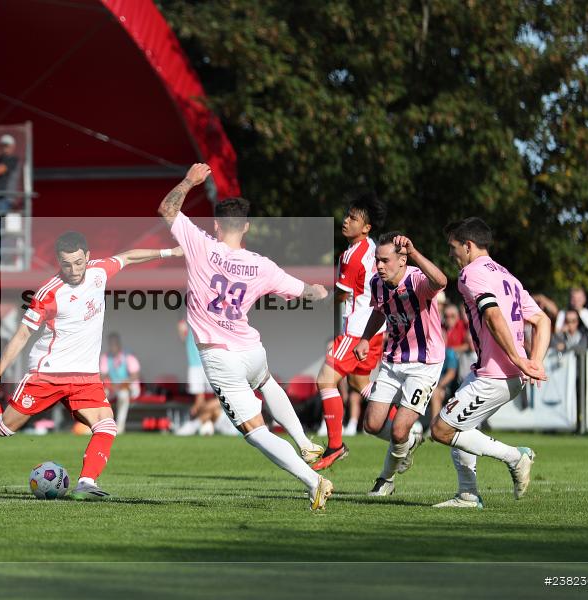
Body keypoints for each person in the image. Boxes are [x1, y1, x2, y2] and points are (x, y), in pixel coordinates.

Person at [158, 163, 333, 511]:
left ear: (217, 225)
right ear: (247, 227)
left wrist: (191, 181)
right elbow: (305, 291)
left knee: (255, 432)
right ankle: (304, 440)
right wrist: (320, 291)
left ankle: (314, 481)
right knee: (267, 382)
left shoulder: (200, 245)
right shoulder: (261, 264)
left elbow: (167, 209)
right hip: (252, 349)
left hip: (220, 357)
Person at [0, 231, 183, 500]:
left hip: (85, 375)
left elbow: (128, 257)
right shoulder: (48, 293)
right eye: (66, 264)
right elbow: (22, 335)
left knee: (106, 426)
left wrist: (171, 253)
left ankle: (86, 482)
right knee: (3, 429)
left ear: (87, 257)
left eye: (78, 262)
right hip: (48, 373)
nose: (74, 270)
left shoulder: (99, 271)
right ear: (58, 262)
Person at [429, 217, 550, 508]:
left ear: (468, 246)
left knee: (442, 431)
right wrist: (534, 362)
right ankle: (468, 495)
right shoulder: (509, 276)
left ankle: (515, 457)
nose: (450, 254)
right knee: (461, 425)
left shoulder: (471, 274)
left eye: (453, 247)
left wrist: (521, 359)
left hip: (496, 376)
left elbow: (493, 316)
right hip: (496, 373)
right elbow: (542, 320)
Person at [353, 232, 447, 496]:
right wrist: (365, 339)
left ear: (402, 260)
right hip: (393, 360)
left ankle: (386, 480)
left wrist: (415, 252)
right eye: (377, 260)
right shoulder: (377, 283)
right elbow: (379, 310)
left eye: (385, 261)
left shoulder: (417, 280)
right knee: (371, 424)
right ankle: (409, 442)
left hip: (424, 363)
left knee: (398, 430)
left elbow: (440, 281)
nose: (379, 266)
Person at [312, 192, 387, 470]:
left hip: (357, 331)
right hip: (375, 328)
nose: (346, 221)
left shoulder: (352, 255)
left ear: (366, 227)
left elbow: (342, 296)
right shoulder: (372, 248)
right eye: (347, 215)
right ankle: (400, 426)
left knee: (324, 380)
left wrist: (320, 303)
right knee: (359, 384)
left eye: (353, 218)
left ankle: (335, 446)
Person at [175, 320, 223, 436]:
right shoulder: (190, 324)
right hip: (195, 366)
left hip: (210, 364)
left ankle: (195, 423)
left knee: (218, 401)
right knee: (199, 401)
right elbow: (183, 336)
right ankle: (201, 423)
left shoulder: (212, 322)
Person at [99, 333, 141, 434]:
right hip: (114, 387)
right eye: (111, 344)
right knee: (101, 395)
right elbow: (102, 375)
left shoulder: (128, 355)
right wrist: (110, 383)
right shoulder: (106, 357)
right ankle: (102, 425)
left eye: (115, 343)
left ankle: (120, 427)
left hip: (130, 387)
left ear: (119, 344)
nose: (113, 346)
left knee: (123, 395)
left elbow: (136, 374)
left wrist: (123, 383)